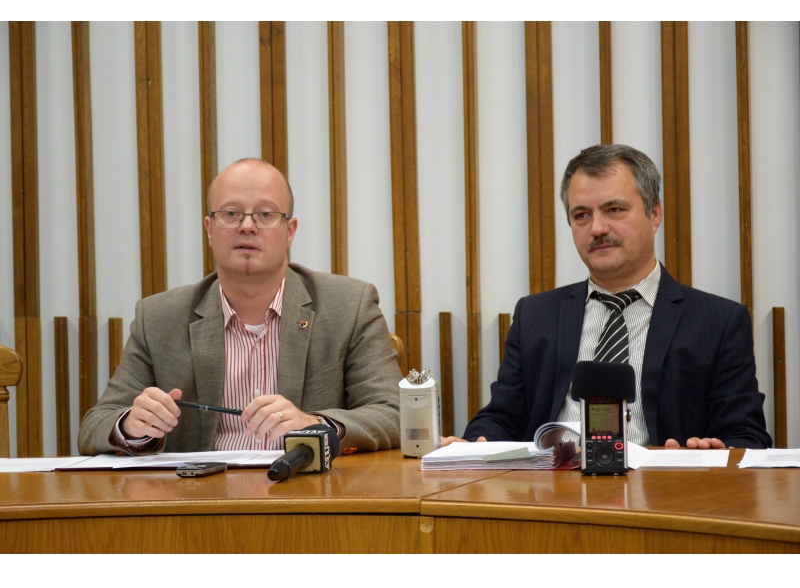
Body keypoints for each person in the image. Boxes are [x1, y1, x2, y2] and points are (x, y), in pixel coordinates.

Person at [445, 144, 771, 449]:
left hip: (661, 486)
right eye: (581, 215)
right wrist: (476, 445)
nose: (597, 228)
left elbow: (746, 435)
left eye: (614, 210)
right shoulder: (534, 315)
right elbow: (503, 417)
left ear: (654, 214)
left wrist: (713, 452)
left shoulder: (718, 321)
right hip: (555, 483)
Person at [79, 158, 401, 456]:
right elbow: (95, 425)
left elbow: (394, 413)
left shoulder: (349, 306)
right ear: (209, 230)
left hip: (306, 490)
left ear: (289, 232)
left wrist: (315, 424)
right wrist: (132, 426)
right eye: (231, 214)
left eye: (265, 214)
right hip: (200, 494)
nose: (247, 226)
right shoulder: (159, 318)